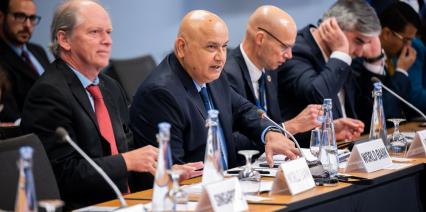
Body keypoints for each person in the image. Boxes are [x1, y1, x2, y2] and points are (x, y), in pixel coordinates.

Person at [21, 0, 201, 209]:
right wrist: (126, 161)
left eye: (108, 32)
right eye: (95, 32)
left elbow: (130, 156)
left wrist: (164, 173)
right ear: (64, 39)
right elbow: (63, 175)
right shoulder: (48, 94)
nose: (107, 41)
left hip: (129, 203)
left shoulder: (110, 87)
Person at [130, 10, 299, 169]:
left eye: (224, 46)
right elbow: (172, 172)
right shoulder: (160, 95)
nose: (221, 57)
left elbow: (243, 110)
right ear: (182, 47)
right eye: (211, 47)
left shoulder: (212, 75)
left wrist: (270, 132)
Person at [224, 5, 364, 147]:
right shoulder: (227, 75)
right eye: (284, 47)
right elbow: (231, 143)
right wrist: (291, 126)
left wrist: (325, 130)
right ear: (260, 39)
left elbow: (280, 135)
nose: (289, 55)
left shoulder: (270, 69)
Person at [277, 0, 383, 133]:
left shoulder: (343, 56)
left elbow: (367, 119)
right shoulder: (296, 52)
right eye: (359, 41)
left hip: (347, 146)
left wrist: (374, 61)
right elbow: (318, 98)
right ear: (334, 27)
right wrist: (341, 54)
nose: (360, 52)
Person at [0, 0, 49, 123]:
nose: (27, 25)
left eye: (32, 18)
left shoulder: (38, 51)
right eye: (20, 16)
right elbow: (9, 113)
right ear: (1, 17)